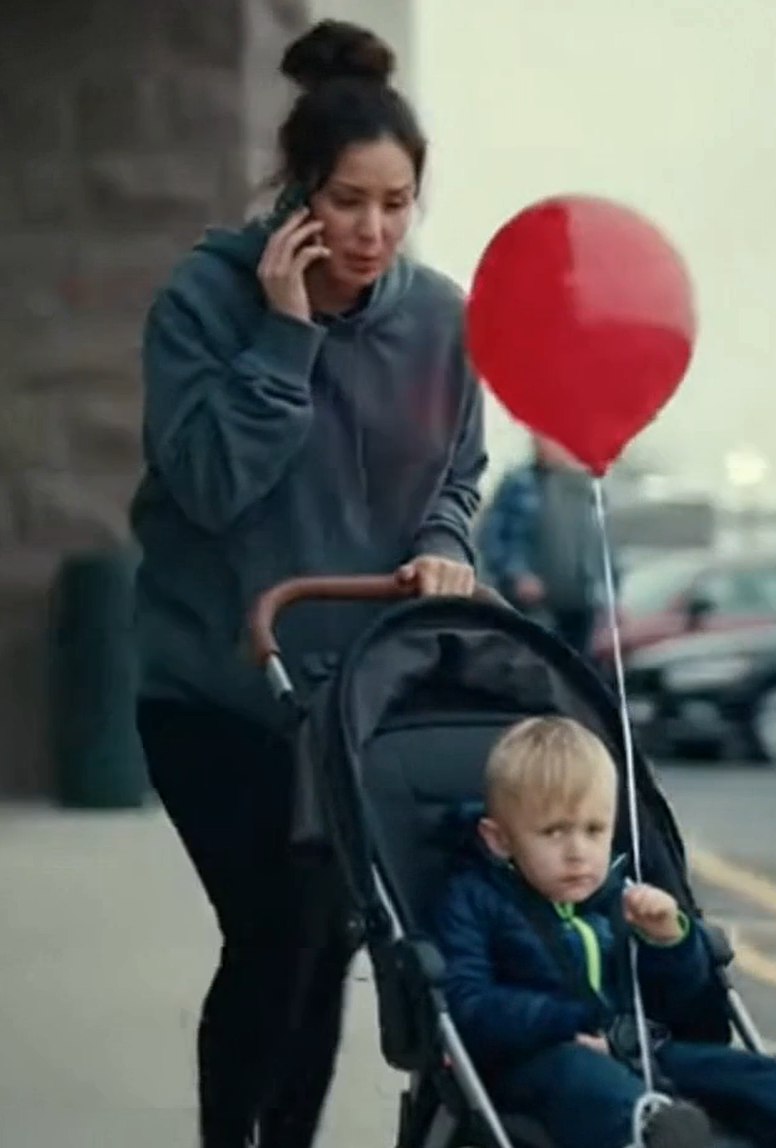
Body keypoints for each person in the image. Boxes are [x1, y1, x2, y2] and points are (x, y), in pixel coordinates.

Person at [131, 19, 487, 1148]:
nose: (372, 230)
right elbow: (208, 486)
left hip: (358, 697)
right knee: (273, 933)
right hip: (217, 689)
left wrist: (448, 545)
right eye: (346, 201)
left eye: (396, 203)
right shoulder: (204, 300)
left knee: (331, 943)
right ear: (296, 193)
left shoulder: (441, 319)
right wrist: (285, 341)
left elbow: (457, 474)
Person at [434, 716, 776, 1148]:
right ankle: (650, 1130)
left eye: (594, 830)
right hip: (539, 1058)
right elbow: (468, 1004)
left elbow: (690, 1016)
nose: (578, 852)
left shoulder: (621, 895)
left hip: (636, 1049)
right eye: (554, 832)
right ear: (499, 840)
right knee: (583, 1076)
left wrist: (669, 942)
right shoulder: (475, 899)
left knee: (745, 1071)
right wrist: (569, 1021)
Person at [476, 435, 606, 657]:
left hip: (579, 602)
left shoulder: (584, 486)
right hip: (535, 601)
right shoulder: (519, 484)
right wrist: (517, 574)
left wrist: (608, 598)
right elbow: (493, 536)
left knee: (580, 663)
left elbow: (600, 545)